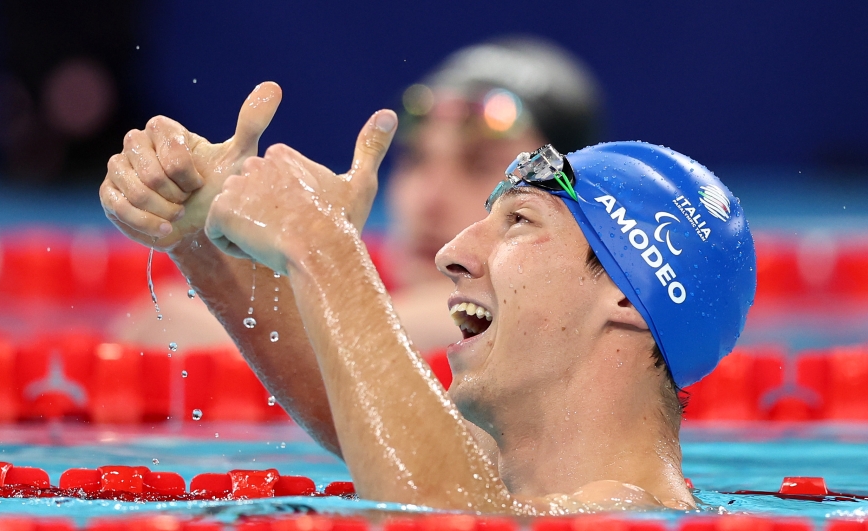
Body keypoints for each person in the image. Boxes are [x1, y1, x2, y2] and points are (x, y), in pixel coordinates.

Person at [99, 81, 755, 512]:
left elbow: (437, 509)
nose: (451, 253)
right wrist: (198, 232)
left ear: (625, 295)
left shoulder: (628, 514)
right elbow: (372, 424)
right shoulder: (517, 488)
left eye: (519, 222)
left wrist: (323, 246)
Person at [109, 36, 603, 355]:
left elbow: (172, 331)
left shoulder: (542, 324)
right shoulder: (378, 294)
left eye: (477, 165)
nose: (428, 198)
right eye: (416, 160)